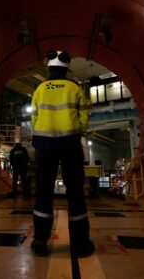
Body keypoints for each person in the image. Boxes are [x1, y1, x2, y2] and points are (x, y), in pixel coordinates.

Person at [29, 49, 94, 258]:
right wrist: (78, 131)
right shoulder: (74, 88)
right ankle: (80, 244)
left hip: (45, 145)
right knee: (75, 190)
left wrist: (42, 133)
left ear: (48, 66)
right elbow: (84, 116)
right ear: (67, 68)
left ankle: (40, 240)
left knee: (44, 190)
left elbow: (34, 117)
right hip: (69, 144)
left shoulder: (40, 88)